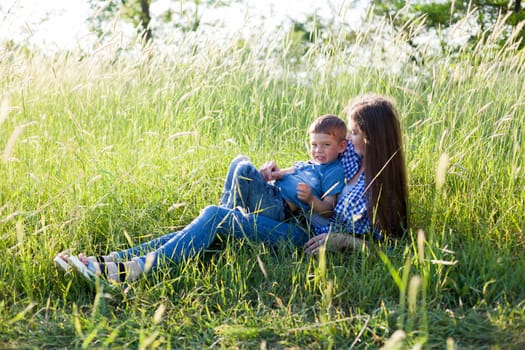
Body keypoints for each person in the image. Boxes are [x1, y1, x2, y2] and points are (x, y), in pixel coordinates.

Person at [55, 94, 408, 285]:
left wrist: (343, 241)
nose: (348, 139)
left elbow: (391, 246)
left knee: (214, 217)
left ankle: (131, 271)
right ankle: (113, 261)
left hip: (303, 239)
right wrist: (276, 174)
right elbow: (315, 162)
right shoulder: (350, 160)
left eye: (355, 133)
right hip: (294, 221)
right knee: (223, 202)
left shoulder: (378, 185)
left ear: (371, 137)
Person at [220, 114, 347, 226]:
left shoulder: (333, 171)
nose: (318, 150)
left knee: (244, 168)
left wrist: (311, 199)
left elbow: (329, 211)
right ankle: (223, 209)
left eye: (326, 145)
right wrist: (272, 173)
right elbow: (284, 173)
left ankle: (227, 219)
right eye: (314, 145)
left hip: (278, 207)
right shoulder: (309, 164)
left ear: (341, 146)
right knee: (240, 160)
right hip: (270, 191)